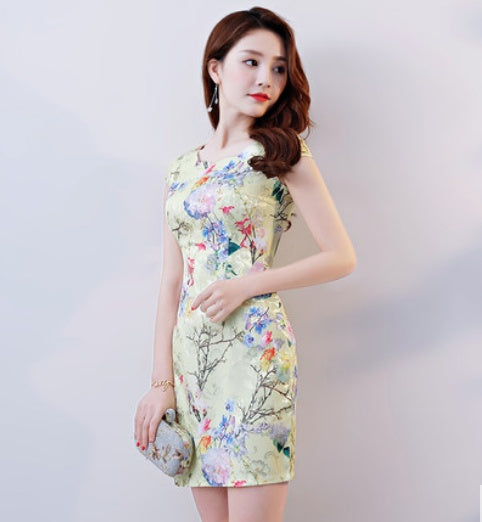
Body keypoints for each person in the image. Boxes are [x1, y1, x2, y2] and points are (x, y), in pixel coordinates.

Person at [134, 6, 356, 522]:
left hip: (256, 358)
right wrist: (161, 384)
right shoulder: (181, 169)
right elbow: (171, 283)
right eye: (251, 62)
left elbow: (341, 256)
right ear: (216, 68)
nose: (266, 79)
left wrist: (247, 286)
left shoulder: (282, 153)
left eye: (278, 68)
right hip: (192, 366)